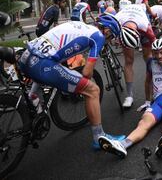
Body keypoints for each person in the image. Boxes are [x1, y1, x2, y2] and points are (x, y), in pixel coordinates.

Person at [19, 13, 132, 149]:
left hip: (26, 56)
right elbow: (86, 72)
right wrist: (82, 86)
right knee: (93, 90)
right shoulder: (98, 37)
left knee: (45, 73)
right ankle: (99, 137)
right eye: (112, 36)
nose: (110, 40)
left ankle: (33, 103)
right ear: (107, 31)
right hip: (42, 64)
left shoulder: (79, 25)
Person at [105, 3, 155, 108]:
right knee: (128, 61)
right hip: (125, 26)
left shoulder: (146, 27)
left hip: (140, 24)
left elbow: (156, 45)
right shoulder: (117, 21)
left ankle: (153, 89)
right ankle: (129, 95)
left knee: (149, 59)